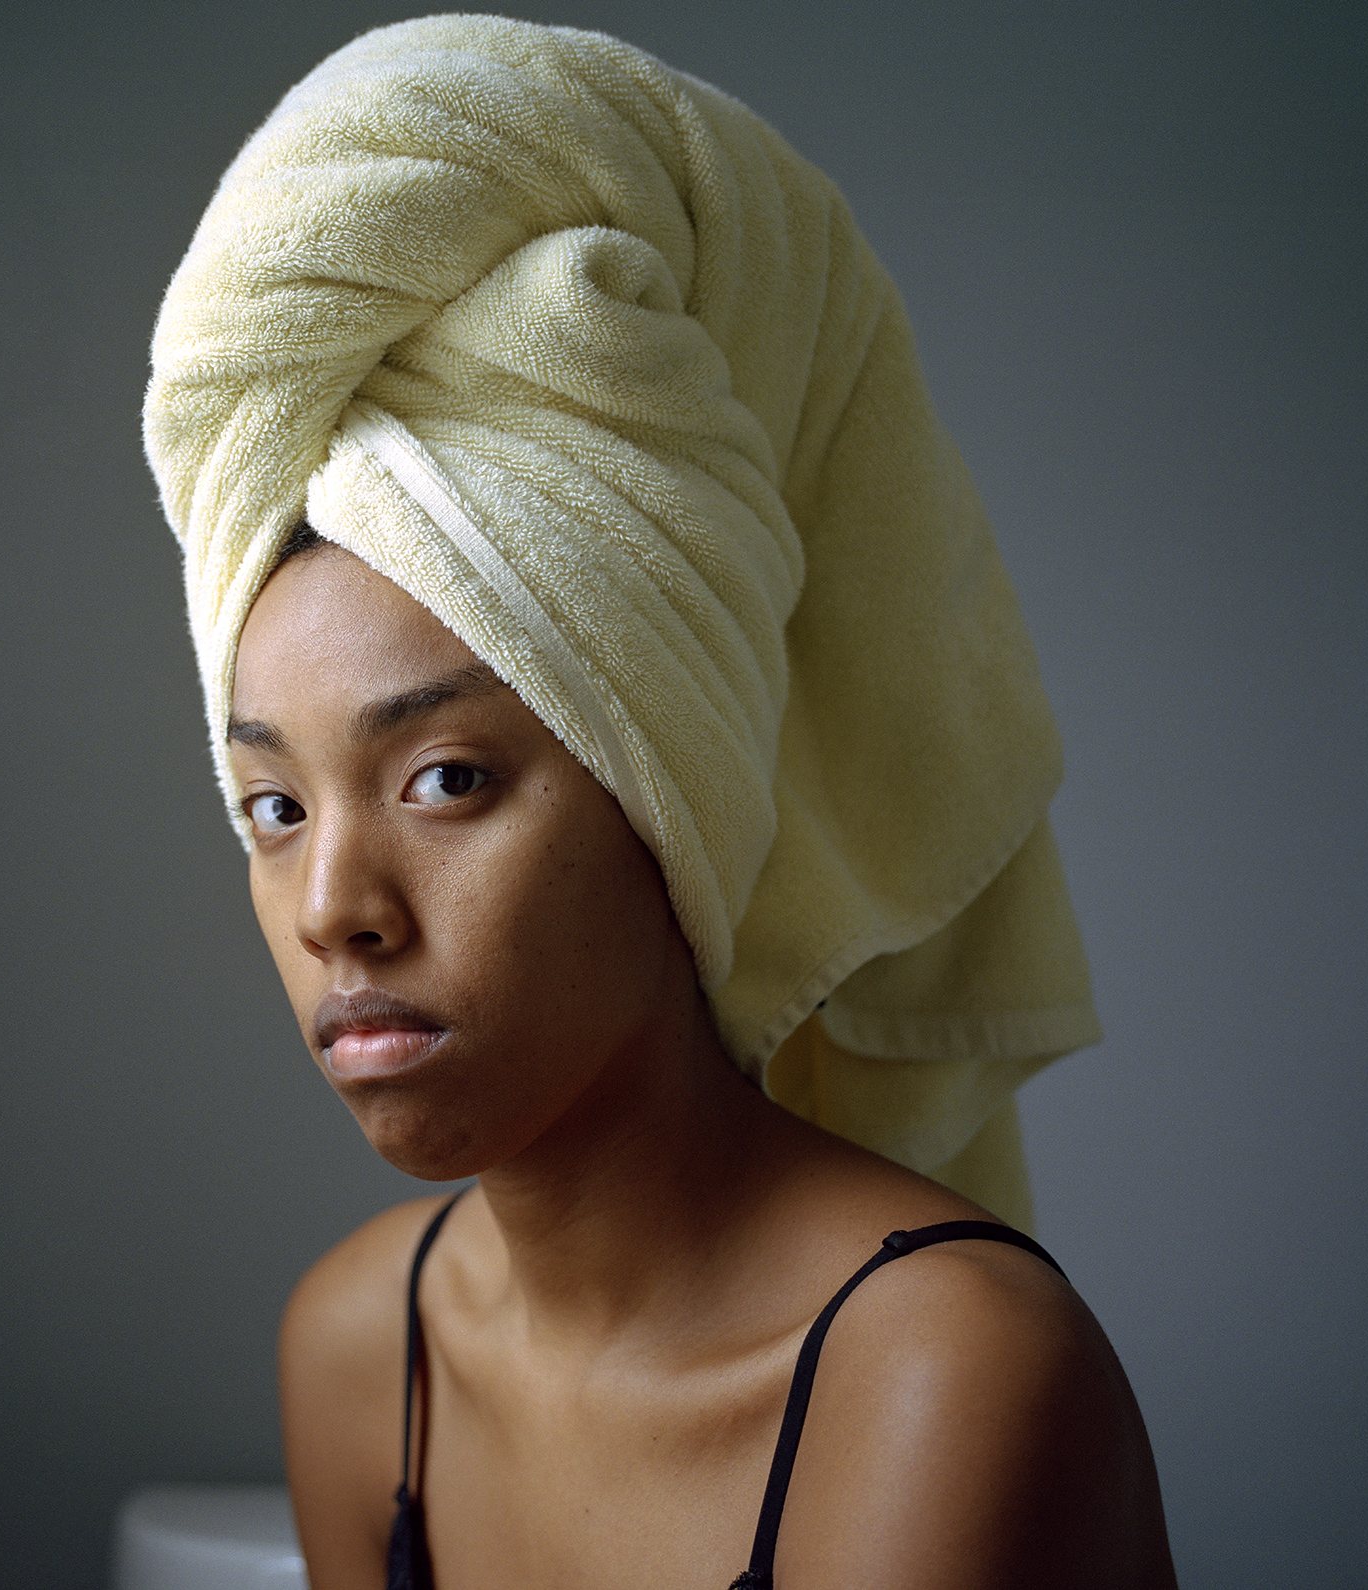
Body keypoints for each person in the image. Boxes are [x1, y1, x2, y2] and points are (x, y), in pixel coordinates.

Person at [145, 17, 1177, 1588]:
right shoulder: (361, 1353)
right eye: (270, 805)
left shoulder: (944, 1377)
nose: (333, 903)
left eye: (446, 778)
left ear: (668, 801)